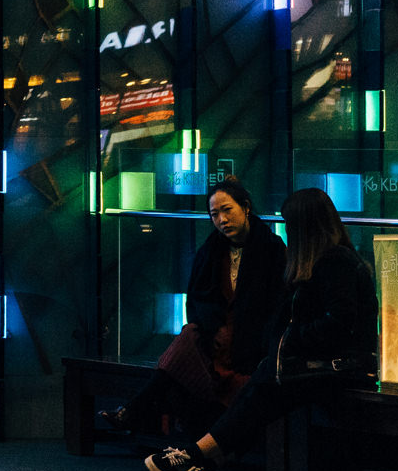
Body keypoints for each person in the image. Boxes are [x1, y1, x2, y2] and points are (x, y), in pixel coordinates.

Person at [143, 186, 378, 471]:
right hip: (321, 366)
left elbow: (340, 322)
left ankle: (195, 457)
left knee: (262, 387)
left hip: (341, 369)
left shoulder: (336, 261)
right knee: (259, 386)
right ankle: (199, 463)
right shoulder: (314, 263)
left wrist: (291, 339)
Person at [100, 177, 286, 440]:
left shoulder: (272, 249)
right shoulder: (210, 250)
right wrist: (215, 329)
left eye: (227, 210)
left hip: (250, 345)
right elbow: (197, 301)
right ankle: (141, 417)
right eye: (214, 214)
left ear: (246, 207)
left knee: (184, 348)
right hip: (213, 338)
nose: (222, 219)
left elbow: (275, 307)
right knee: (189, 336)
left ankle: (134, 411)